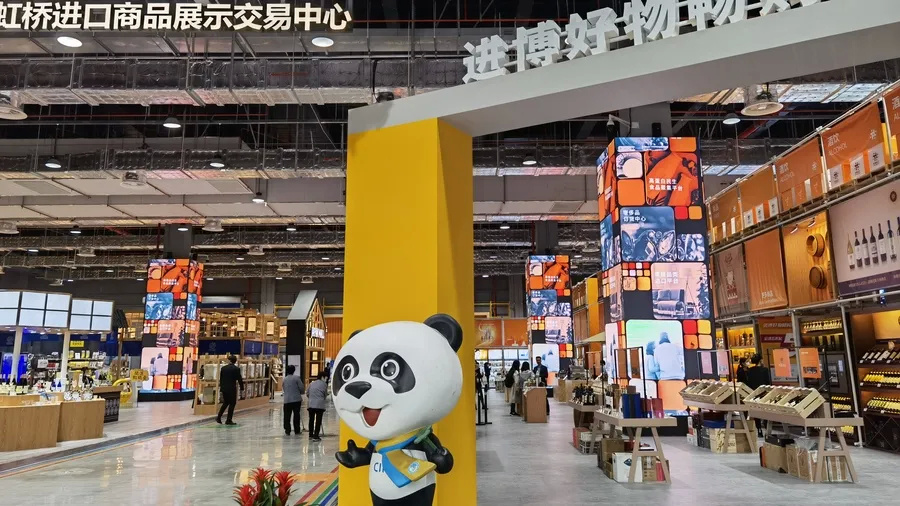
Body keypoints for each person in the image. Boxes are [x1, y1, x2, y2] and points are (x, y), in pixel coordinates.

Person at [217, 355, 244, 425]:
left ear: (229, 360)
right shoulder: (236, 369)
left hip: (224, 388)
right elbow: (239, 379)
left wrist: (221, 388)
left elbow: (221, 379)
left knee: (226, 402)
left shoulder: (223, 368)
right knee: (232, 403)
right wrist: (242, 388)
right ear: (235, 361)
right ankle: (228, 419)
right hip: (231, 388)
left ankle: (219, 417)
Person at [282, 365, 305, 435]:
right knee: (296, 415)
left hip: (287, 400)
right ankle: (297, 430)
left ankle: (287, 430)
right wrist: (299, 392)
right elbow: (302, 388)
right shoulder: (297, 378)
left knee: (287, 416)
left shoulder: (284, 379)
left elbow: (284, 388)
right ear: (294, 370)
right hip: (296, 400)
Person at [307, 372, 328, 441]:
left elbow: (307, 393)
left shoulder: (312, 383)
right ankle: (316, 436)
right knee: (318, 420)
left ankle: (310, 434)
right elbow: (325, 394)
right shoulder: (324, 384)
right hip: (319, 405)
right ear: (322, 377)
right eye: (325, 377)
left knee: (311, 419)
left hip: (311, 404)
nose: (326, 379)